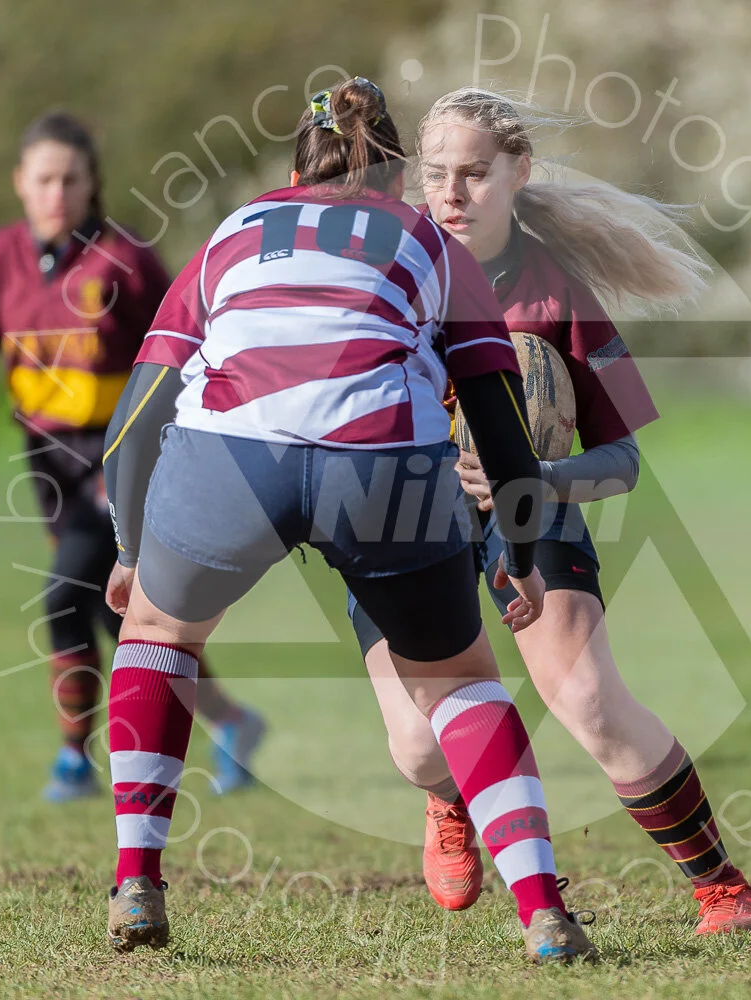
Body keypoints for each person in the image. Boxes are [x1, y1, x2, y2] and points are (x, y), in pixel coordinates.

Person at [98, 77, 596, 964]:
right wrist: (517, 546)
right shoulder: (429, 244)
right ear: (398, 173)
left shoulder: (233, 231)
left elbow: (135, 421)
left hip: (230, 457)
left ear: (298, 165)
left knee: (157, 633)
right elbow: (497, 417)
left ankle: (138, 878)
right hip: (381, 466)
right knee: (458, 682)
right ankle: (544, 912)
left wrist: (135, 552)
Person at [348, 88, 751, 935]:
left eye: (474, 174)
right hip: (400, 519)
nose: (452, 194)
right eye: (436, 175)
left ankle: (719, 883)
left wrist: (534, 474)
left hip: (531, 513)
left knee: (590, 700)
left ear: (519, 173)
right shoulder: (385, 276)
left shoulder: (557, 296)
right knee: (422, 745)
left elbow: (622, 463)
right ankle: (448, 802)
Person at [0, 110, 265, 802]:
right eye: (44, 179)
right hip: (48, 463)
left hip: (122, 459)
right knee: (118, 614)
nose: (57, 192)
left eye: (71, 179)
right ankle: (233, 723)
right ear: (20, 185)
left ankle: (73, 758)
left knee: (65, 596)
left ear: (94, 185)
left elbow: (186, 347)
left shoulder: (126, 262)